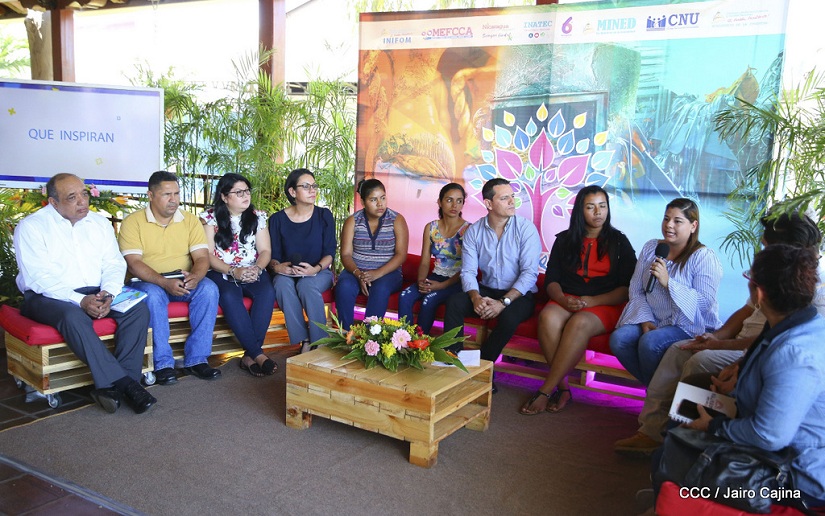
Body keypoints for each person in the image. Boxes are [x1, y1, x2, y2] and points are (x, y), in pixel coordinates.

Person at [616, 210, 825, 454]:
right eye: (666, 218)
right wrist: (719, 338)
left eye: (766, 247)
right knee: (675, 350)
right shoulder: (776, 286)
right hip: (746, 350)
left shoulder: (805, 300)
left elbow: (769, 435)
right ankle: (656, 434)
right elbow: (753, 319)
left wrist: (716, 423)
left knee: (695, 361)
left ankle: (682, 445)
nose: (669, 225)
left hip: (792, 461)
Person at [658, 244, 825, 509]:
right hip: (778, 444)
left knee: (682, 443)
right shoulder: (800, 322)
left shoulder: (794, 354)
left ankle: (674, 496)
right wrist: (740, 376)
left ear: (759, 293)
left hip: (794, 473)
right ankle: (665, 488)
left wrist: (713, 426)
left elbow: (769, 436)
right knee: (690, 396)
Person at [13, 173, 155, 414]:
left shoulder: (99, 223)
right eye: (72, 197)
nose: (82, 201)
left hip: (96, 291)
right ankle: (126, 384)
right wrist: (80, 300)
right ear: (53, 202)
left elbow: (113, 263)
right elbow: (38, 278)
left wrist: (109, 293)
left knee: (137, 309)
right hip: (47, 297)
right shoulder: (32, 227)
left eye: (84, 194)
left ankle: (111, 387)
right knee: (72, 316)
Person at [520, 185, 636, 415]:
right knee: (548, 317)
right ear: (580, 211)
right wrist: (563, 300)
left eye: (602, 206)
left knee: (579, 322)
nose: (598, 212)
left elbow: (627, 289)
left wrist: (593, 301)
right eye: (591, 207)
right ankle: (563, 389)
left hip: (606, 303)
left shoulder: (619, 242)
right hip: (568, 298)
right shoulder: (564, 240)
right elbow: (552, 280)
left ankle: (545, 390)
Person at [118, 171, 221, 386]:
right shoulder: (133, 222)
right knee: (153, 295)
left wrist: (196, 276)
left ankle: (197, 359)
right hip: (147, 282)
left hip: (182, 279)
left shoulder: (189, 220)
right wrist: (164, 282)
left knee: (209, 288)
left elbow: (202, 257)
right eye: (167, 194)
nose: (173, 199)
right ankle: (163, 364)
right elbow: (134, 263)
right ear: (150, 195)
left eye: (176, 193)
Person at [609, 198, 722, 386]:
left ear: (693, 226)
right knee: (619, 339)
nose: (669, 225)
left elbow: (704, 303)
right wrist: (645, 319)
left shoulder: (703, 257)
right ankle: (659, 392)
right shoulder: (652, 248)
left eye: (677, 221)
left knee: (650, 343)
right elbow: (636, 290)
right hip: (653, 319)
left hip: (688, 326)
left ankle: (656, 395)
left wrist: (669, 282)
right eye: (666, 219)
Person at [443, 178, 541, 383]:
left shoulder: (526, 229)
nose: (512, 202)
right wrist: (476, 298)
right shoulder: (474, 231)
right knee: (454, 303)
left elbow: (529, 274)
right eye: (504, 198)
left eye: (512, 196)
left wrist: (503, 302)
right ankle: (451, 362)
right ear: (488, 204)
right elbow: (468, 272)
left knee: (508, 317)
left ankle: (481, 371)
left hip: (519, 295)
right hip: (487, 290)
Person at [201, 173, 276, 377]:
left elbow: (265, 251)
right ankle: (258, 354)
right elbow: (207, 255)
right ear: (224, 197)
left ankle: (249, 356)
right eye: (239, 192)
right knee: (229, 295)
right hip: (222, 271)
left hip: (252, 269)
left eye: (247, 191)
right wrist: (233, 271)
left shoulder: (258, 216)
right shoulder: (210, 218)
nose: (246, 196)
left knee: (267, 292)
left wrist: (257, 269)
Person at [268, 168, 336, 352]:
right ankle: (304, 339)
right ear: (292, 191)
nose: (312, 190)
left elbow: (330, 252)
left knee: (306, 284)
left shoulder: (324, 215)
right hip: (287, 273)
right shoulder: (277, 220)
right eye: (306, 186)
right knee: (281, 284)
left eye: (314, 186)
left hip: (319, 272)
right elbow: (272, 256)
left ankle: (320, 341)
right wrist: (278, 268)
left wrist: (315, 269)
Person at [335, 179, 409, 330]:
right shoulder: (353, 221)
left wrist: (377, 274)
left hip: (388, 273)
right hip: (356, 271)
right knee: (344, 287)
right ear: (363, 202)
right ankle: (345, 335)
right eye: (373, 200)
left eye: (383, 198)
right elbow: (346, 254)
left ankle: (370, 337)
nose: (380, 204)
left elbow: (401, 255)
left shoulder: (397, 220)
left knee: (380, 289)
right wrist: (358, 274)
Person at [397, 183, 470, 333]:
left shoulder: (469, 230)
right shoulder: (431, 228)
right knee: (404, 296)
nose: (454, 205)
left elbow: (468, 268)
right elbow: (424, 262)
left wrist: (442, 286)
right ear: (440, 202)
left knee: (429, 300)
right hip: (436, 276)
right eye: (449, 200)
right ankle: (404, 339)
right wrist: (421, 281)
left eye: (459, 201)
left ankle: (420, 342)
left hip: (457, 281)